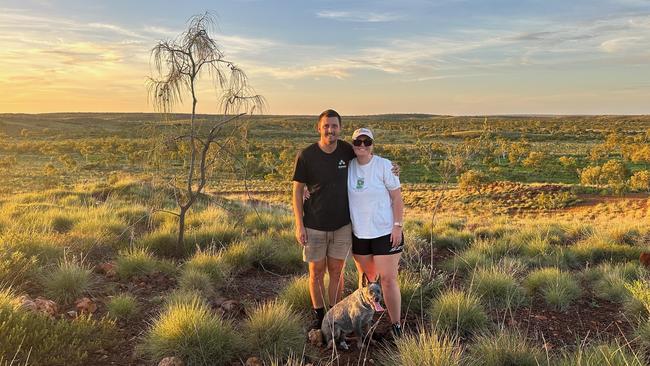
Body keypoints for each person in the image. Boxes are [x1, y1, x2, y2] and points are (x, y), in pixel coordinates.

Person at [292, 109, 355, 329]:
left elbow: (369, 159)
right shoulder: (306, 155)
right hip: (314, 225)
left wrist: (391, 168)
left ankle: (335, 316)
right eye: (326, 126)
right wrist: (299, 224)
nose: (330, 130)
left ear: (340, 128)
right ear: (319, 128)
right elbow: (297, 190)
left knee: (337, 272)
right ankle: (319, 318)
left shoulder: (348, 150)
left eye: (334, 126)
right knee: (316, 273)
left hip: (342, 225)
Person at [347, 127, 405, 337]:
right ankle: (364, 323)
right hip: (359, 234)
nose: (362, 145)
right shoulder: (348, 166)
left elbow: (397, 198)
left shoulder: (385, 165)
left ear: (372, 144)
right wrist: (307, 188)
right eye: (358, 142)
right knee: (367, 280)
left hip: (385, 232)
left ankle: (396, 324)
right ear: (352, 144)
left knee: (388, 279)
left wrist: (397, 225)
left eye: (367, 141)